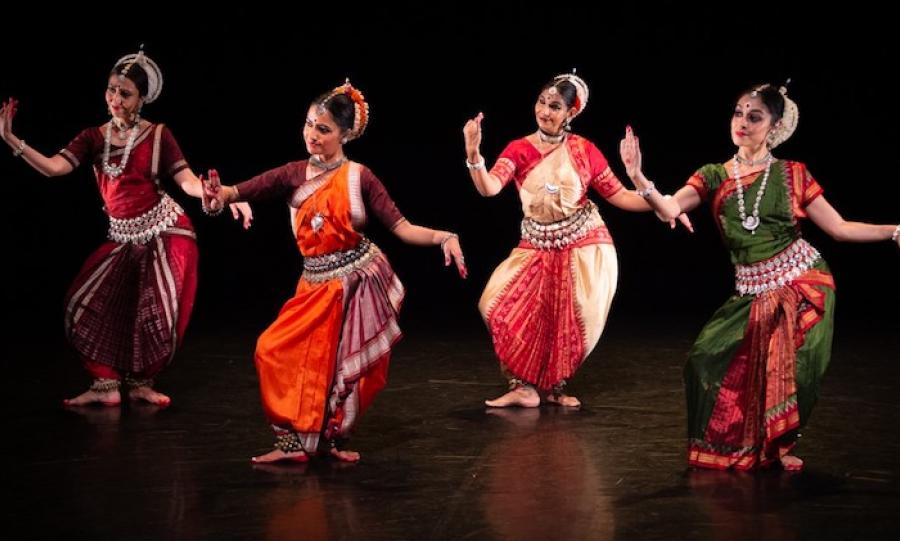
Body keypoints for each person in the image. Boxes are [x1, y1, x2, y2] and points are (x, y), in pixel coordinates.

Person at [620, 82, 900, 471]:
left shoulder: (793, 174)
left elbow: (839, 228)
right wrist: (637, 175)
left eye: (755, 117)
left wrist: (895, 230)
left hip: (802, 282)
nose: (743, 123)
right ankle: (744, 446)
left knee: (788, 368)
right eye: (738, 113)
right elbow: (668, 209)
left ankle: (778, 448)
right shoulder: (714, 175)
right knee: (705, 359)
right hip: (751, 290)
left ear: (775, 126)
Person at [203, 80, 466, 463]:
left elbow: (403, 228)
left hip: (355, 284)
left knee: (338, 368)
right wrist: (218, 198)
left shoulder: (360, 177)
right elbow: (240, 190)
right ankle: (292, 443)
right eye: (309, 124)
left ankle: (326, 440)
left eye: (323, 129)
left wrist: (445, 236)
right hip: (313, 285)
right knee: (272, 351)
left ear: (345, 134)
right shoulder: (294, 173)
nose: (312, 134)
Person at [0, 48, 252, 408]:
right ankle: (105, 385)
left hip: (166, 231)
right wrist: (12, 140)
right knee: (82, 302)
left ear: (142, 99)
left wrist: (223, 194)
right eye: (111, 90)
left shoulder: (158, 135)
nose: (115, 99)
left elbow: (187, 181)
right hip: (122, 236)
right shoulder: (92, 137)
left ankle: (140, 383)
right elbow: (55, 168)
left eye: (125, 93)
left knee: (156, 311)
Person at [462, 72, 689, 409]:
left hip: (583, 241)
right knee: (494, 304)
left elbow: (621, 197)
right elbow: (489, 187)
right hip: (537, 241)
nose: (544, 111)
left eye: (555, 106)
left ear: (571, 112)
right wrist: (473, 152)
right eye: (542, 102)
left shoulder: (584, 151)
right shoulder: (519, 148)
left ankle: (554, 387)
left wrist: (666, 202)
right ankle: (522, 387)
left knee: (572, 314)